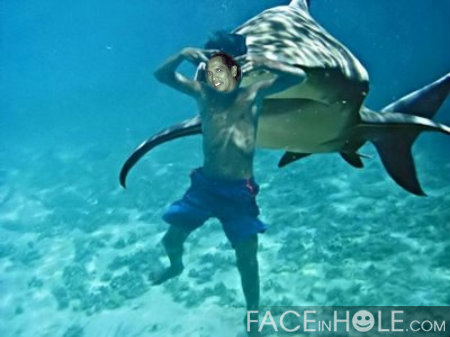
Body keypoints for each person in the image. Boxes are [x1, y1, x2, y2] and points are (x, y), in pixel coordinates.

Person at [152, 45, 305, 335]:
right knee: (171, 239)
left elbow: (296, 77)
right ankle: (175, 267)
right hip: (205, 187)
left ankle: (253, 315)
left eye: (227, 70)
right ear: (209, 73)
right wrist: (182, 54)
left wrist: (261, 60)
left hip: (239, 193)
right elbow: (162, 75)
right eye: (215, 71)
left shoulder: (253, 94)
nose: (221, 78)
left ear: (238, 71)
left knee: (247, 260)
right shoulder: (203, 95)